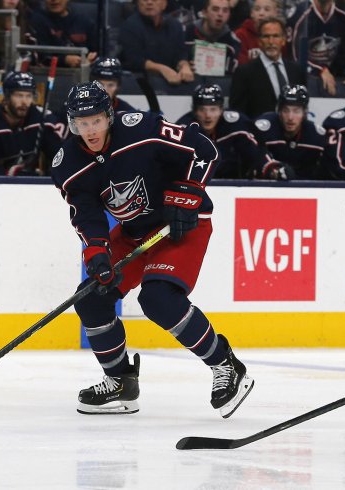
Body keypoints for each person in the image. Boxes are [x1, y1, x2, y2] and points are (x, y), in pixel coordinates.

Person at [50, 80, 254, 417]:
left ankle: (226, 365)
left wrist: (188, 193)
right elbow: (86, 215)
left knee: (158, 299)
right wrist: (97, 252)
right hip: (133, 233)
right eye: (81, 123)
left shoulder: (142, 128)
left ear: (109, 116)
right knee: (91, 298)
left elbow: (203, 149)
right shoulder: (67, 163)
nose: (90, 130)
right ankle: (120, 382)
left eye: (96, 121)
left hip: (180, 225)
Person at [0, 71, 65, 176]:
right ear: (7, 96)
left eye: (29, 96)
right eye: (19, 95)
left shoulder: (44, 120)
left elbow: (60, 157)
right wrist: (11, 177)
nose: (24, 102)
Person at [176, 83, 273, 179]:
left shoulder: (237, 124)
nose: (208, 115)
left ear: (221, 110)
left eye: (213, 109)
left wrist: (272, 169)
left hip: (234, 185)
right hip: (193, 185)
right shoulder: (184, 129)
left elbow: (257, 152)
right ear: (195, 112)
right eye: (202, 109)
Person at [229, 17, 307, 119]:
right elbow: (237, 113)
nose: (271, 41)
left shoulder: (297, 71)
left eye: (275, 36)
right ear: (259, 41)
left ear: (283, 40)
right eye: (266, 36)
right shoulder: (244, 73)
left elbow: (303, 107)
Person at [290, 0, 345, 96]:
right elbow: (296, 57)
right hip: (308, 78)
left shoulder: (343, 16)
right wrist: (320, 70)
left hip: (337, 76)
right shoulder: (301, 14)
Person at [252, 84, 326, 180]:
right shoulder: (263, 129)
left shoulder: (316, 136)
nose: (290, 117)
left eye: (296, 111)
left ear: (305, 113)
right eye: (286, 111)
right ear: (279, 111)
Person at [119, 0, 194, 88]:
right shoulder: (129, 26)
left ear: (164, 4)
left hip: (171, 84)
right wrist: (162, 69)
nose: (149, 2)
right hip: (138, 84)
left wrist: (184, 65)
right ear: (138, 3)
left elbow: (180, 54)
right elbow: (134, 60)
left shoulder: (175, 26)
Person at [28, 0, 98, 67]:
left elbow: (96, 51)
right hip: (53, 74)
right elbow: (41, 57)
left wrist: (91, 58)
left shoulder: (84, 21)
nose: (54, 0)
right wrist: (64, 60)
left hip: (85, 72)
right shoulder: (37, 21)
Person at [184, 0, 241, 76]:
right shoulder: (186, 33)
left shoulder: (233, 42)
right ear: (204, 13)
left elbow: (233, 76)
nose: (220, 14)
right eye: (215, 9)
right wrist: (184, 65)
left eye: (225, 11)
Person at [234, 0, 279, 66]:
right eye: (257, 9)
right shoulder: (240, 34)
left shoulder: (279, 35)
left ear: (276, 13)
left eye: (267, 10)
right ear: (251, 13)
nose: (261, 13)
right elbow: (241, 65)